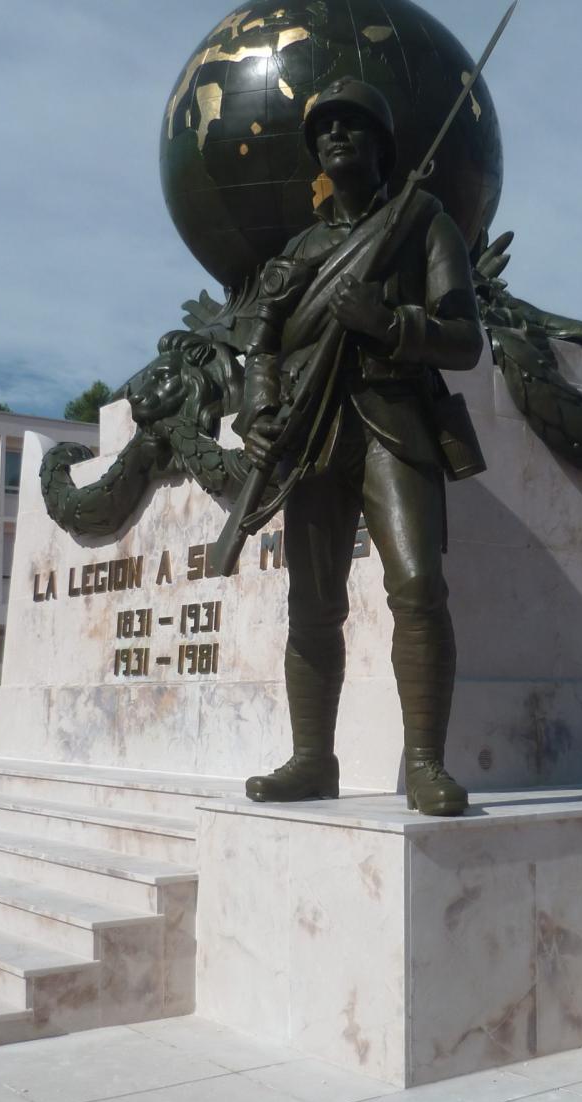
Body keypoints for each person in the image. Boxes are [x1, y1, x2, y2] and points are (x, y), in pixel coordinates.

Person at [238, 77, 485, 815]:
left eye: (353, 125)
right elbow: (261, 345)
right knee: (312, 607)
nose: (337, 136)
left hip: (394, 422)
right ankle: (312, 760)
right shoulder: (298, 252)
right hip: (313, 435)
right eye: (326, 129)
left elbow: (466, 339)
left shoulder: (424, 224)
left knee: (417, 588)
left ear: (382, 144)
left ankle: (424, 764)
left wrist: (390, 322)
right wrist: (259, 410)